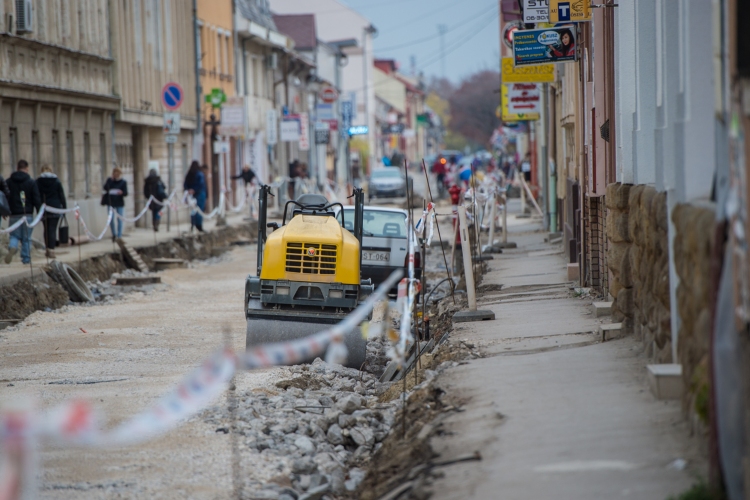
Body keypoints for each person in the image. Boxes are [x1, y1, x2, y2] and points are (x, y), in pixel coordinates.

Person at [4, 160, 42, 264]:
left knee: (14, 235)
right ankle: (26, 259)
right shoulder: (31, 182)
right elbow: (36, 199)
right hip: (27, 214)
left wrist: (4, 211)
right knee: (26, 238)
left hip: (13, 214)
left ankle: (13, 246)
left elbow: (4, 197)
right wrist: (39, 213)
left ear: (17, 168)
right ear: (26, 169)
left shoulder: (8, 182)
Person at [36, 164, 67, 258]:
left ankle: (47, 249)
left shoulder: (38, 181)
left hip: (43, 209)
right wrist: (64, 208)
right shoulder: (56, 181)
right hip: (55, 208)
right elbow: (61, 195)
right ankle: (51, 250)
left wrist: (38, 209)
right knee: (52, 229)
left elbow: (36, 196)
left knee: (46, 229)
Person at [103, 167, 128, 240]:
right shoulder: (110, 180)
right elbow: (105, 188)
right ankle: (114, 234)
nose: (116, 175)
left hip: (119, 202)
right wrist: (110, 180)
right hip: (111, 202)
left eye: (118, 174)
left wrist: (121, 192)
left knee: (119, 219)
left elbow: (126, 193)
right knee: (111, 219)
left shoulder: (123, 182)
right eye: (115, 173)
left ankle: (119, 235)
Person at [184, 161, 207, 232]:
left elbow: (185, 183)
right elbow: (201, 184)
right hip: (199, 193)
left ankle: (193, 224)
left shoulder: (189, 174)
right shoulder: (200, 174)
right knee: (199, 209)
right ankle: (199, 225)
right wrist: (194, 190)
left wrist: (188, 190)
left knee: (193, 210)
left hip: (191, 195)